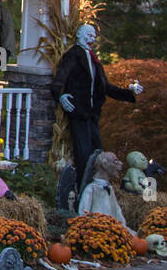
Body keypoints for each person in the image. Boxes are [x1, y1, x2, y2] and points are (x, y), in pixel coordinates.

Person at [50, 23, 142, 183]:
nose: (91, 38)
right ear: (79, 35)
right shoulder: (73, 55)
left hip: (92, 113)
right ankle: (83, 187)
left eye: (93, 36)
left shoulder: (94, 60)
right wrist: (61, 96)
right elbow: (59, 80)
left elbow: (105, 87)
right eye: (88, 35)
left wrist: (129, 92)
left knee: (98, 151)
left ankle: (97, 184)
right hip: (78, 111)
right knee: (83, 153)